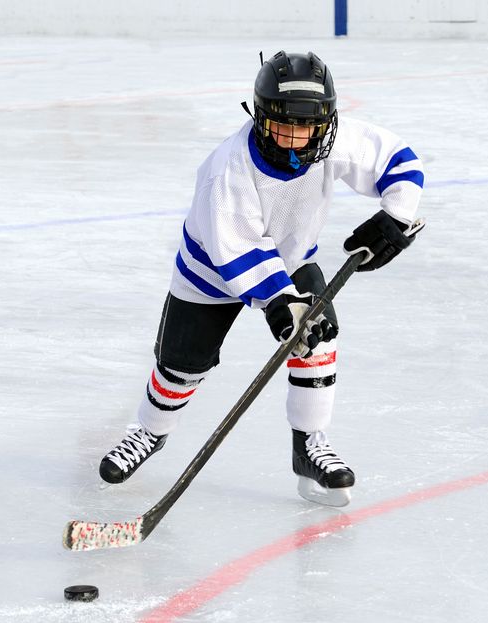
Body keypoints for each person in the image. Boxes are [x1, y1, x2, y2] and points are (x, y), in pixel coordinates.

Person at [98, 50, 425, 507]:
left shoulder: (334, 140)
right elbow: (238, 251)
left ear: (326, 121)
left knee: (320, 340)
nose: (295, 138)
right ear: (259, 117)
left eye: (306, 126)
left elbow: (399, 162)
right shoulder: (227, 169)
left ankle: (309, 446)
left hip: (291, 259)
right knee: (180, 367)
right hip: (210, 272)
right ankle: (148, 432)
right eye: (282, 125)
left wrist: (396, 214)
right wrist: (281, 302)